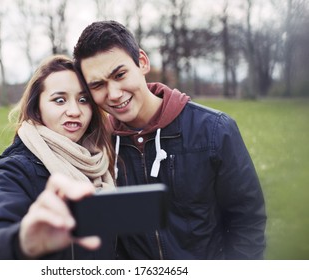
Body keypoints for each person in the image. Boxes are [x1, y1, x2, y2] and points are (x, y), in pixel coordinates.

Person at [73, 20, 267, 259]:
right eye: (98, 85)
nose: (113, 94)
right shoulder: (96, 146)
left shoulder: (215, 130)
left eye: (120, 74)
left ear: (142, 62)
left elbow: (247, 222)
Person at [0, 55, 116, 260]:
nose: (74, 111)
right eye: (59, 100)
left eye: (83, 99)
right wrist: (23, 241)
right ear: (37, 108)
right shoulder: (16, 169)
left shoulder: (101, 159)